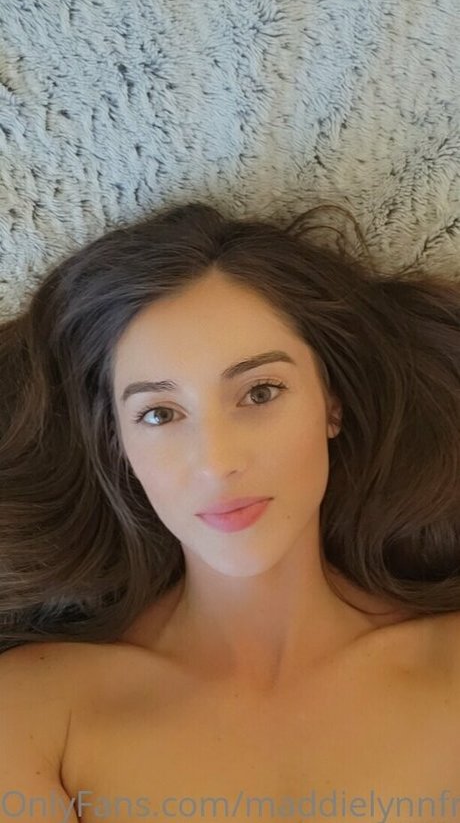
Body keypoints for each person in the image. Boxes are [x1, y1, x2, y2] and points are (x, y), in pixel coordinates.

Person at [1, 200, 460, 822]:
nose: (217, 462)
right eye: (159, 414)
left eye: (260, 392)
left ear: (332, 403)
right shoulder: (34, 715)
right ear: (119, 444)